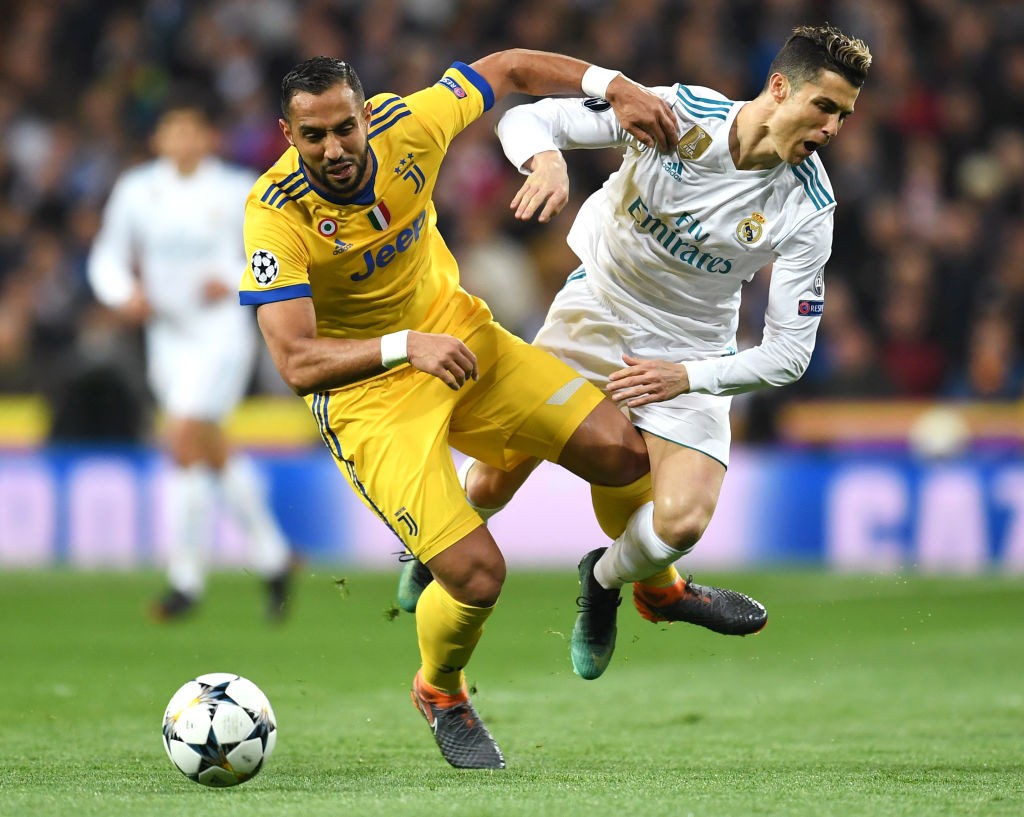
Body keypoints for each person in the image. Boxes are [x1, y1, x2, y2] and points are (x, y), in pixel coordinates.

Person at [240, 50, 679, 770]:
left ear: (362, 115)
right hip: (370, 398)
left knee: (625, 453)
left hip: (460, 337)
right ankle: (441, 690)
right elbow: (295, 362)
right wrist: (402, 345)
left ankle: (636, 583)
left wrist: (618, 87)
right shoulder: (275, 214)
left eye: (344, 127)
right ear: (289, 137)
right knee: (477, 576)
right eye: (313, 136)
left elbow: (507, 68)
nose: (335, 148)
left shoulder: (409, 124)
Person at [404, 24, 873, 681]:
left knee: (681, 521)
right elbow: (528, 119)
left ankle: (601, 579)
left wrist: (686, 375)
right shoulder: (678, 116)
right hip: (596, 308)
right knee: (491, 477)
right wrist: (545, 160)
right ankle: (426, 549)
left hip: (690, 344)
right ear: (778, 88)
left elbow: (790, 355)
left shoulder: (808, 206)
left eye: (845, 115)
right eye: (824, 107)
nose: (832, 128)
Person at [88, 96, 294, 622]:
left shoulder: (234, 188)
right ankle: (273, 557)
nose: (181, 140)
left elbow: (263, 249)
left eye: (191, 130)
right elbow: (107, 256)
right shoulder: (138, 190)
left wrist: (227, 276)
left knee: (182, 438)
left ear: (207, 138)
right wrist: (121, 294)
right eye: (171, 131)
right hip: (166, 338)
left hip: (220, 332)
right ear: (158, 140)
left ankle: (185, 580)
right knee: (207, 447)